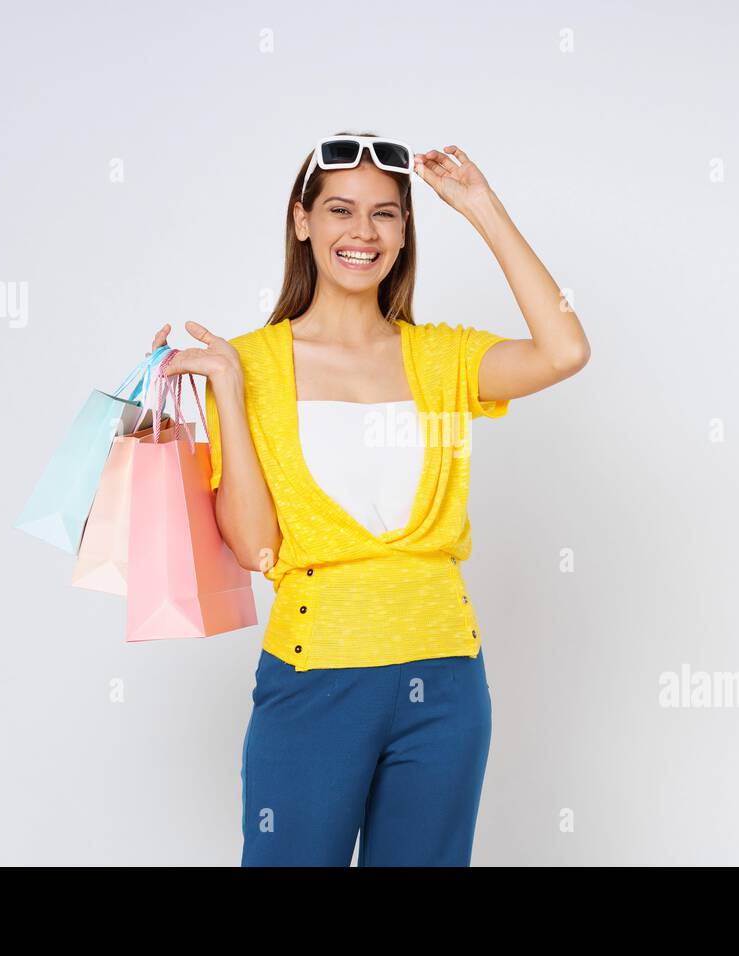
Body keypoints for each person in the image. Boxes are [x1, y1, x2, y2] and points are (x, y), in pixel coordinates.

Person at [148, 132, 590, 866]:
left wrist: (481, 207)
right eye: (341, 211)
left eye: (385, 214)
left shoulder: (439, 358)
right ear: (303, 221)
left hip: (446, 684)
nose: (363, 233)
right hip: (315, 680)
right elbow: (259, 549)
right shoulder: (248, 365)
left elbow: (564, 351)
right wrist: (227, 390)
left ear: (406, 229)